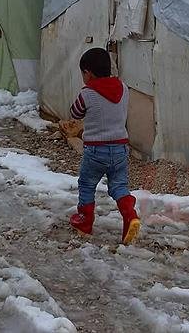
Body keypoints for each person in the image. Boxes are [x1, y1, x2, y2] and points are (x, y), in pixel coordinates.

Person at [68, 47, 141, 244]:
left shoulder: (87, 94)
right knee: (118, 185)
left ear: (88, 73)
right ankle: (130, 216)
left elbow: (74, 114)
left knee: (87, 184)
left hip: (95, 150)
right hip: (119, 149)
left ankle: (85, 221)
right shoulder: (124, 88)